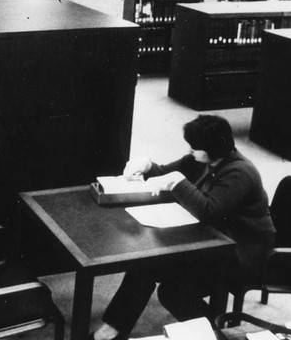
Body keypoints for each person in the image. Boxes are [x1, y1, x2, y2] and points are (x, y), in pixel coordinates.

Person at [92, 115, 275, 340]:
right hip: (209, 242)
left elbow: (208, 210)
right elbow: (165, 172)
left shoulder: (241, 173)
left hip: (240, 253)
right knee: (146, 263)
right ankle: (114, 329)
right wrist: (147, 165)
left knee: (172, 291)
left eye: (195, 147)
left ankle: (217, 332)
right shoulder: (202, 160)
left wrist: (178, 181)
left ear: (213, 148)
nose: (190, 151)